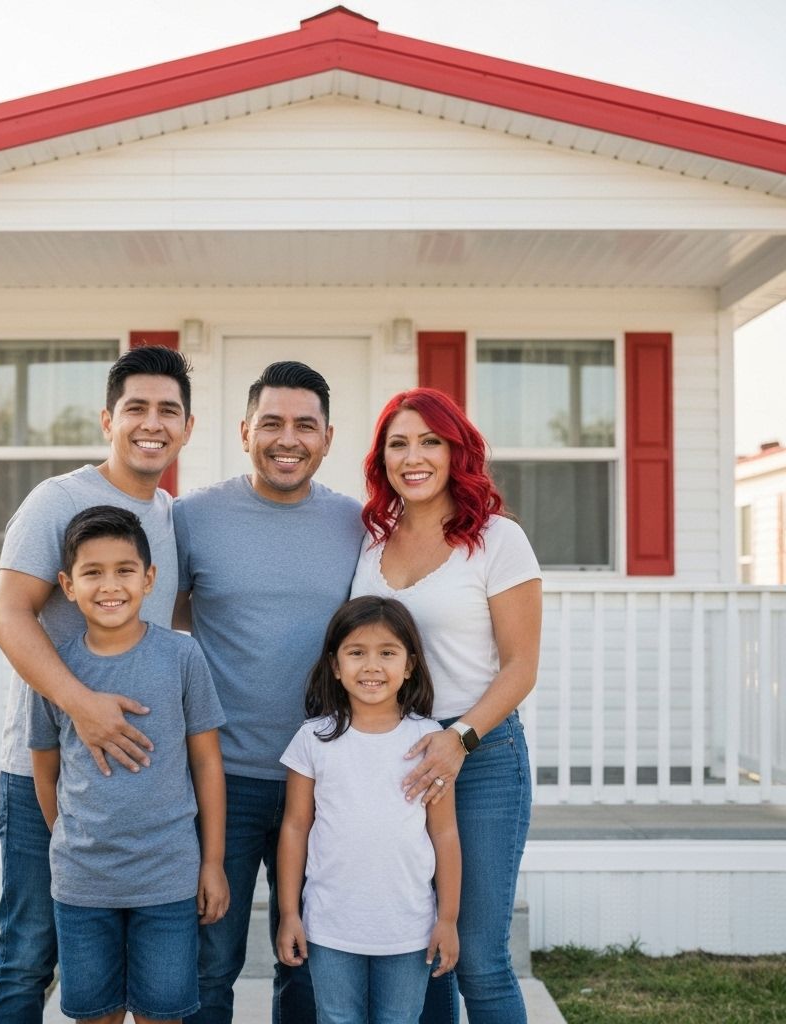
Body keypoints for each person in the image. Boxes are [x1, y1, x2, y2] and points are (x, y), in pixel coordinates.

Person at [0, 346, 195, 1024]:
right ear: (108, 419)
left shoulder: (168, 517)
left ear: (187, 427)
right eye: (136, 408)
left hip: (137, 789)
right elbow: (9, 618)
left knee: (134, 982)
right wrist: (82, 707)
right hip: (47, 771)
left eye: (168, 410)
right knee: (28, 952)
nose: (152, 423)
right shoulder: (58, 501)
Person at [173, 361, 366, 1024]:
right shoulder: (193, 517)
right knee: (209, 962)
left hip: (322, 779)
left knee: (307, 962)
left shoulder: (355, 524)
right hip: (220, 778)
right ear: (244, 431)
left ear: (328, 437)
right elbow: (170, 619)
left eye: (305, 425)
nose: (288, 439)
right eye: (272, 423)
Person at [350, 387, 542, 1024]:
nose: (414, 457)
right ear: (381, 458)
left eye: (430, 441)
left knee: (479, 960)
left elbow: (521, 666)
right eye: (398, 444)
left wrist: (459, 737)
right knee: (419, 954)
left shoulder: (497, 540)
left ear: (457, 450)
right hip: (393, 761)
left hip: (480, 756)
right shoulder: (372, 541)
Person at [28, 506, 228, 1023]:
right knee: (96, 1014)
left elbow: (207, 763)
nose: (110, 585)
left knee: (162, 1014)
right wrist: (68, 837)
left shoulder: (182, 658)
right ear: (68, 586)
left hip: (168, 879)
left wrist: (212, 862)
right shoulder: (56, 671)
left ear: (149, 579)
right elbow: (45, 768)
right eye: (92, 573)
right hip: (83, 883)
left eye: (124, 570)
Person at [276, 596, 460, 1024]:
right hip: (330, 926)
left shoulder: (429, 741)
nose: (371, 666)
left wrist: (448, 918)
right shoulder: (312, 739)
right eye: (357, 653)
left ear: (410, 665)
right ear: (335, 666)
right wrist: (288, 914)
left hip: (409, 928)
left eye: (387, 653)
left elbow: (445, 833)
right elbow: (295, 827)